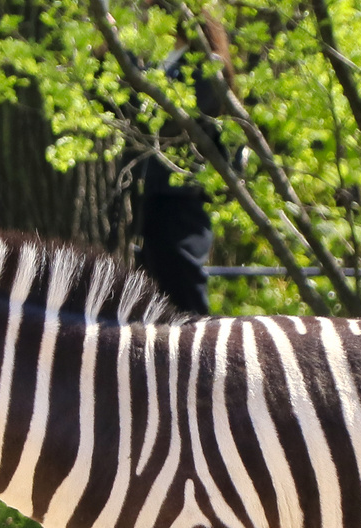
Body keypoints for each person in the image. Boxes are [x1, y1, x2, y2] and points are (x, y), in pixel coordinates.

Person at [136, 22, 233, 316]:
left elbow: (174, 122)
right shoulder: (161, 62)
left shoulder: (205, 67)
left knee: (185, 301)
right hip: (155, 196)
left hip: (183, 199)